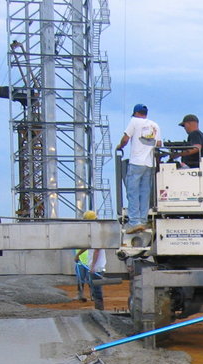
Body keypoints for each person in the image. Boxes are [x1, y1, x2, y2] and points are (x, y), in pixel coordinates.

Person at [116, 104, 161, 233]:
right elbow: (159, 144)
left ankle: (134, 221)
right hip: (150, 163)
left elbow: (125, 139)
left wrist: (120, 146)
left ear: (136, 113)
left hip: (136, 162)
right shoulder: (154, 125)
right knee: (145, 192)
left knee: (133, 191)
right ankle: (143, 220)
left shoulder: (134, 121)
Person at [74, 210, 107, 310]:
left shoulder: (97, 233)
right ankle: (98, 308)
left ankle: (100, 310)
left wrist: (93, 266)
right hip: (95, 266)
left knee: (97, 290)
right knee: (94, 287)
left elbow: (96, 251)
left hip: (97, 267)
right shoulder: (95, 232)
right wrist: (78, 255)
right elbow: (88, 246)